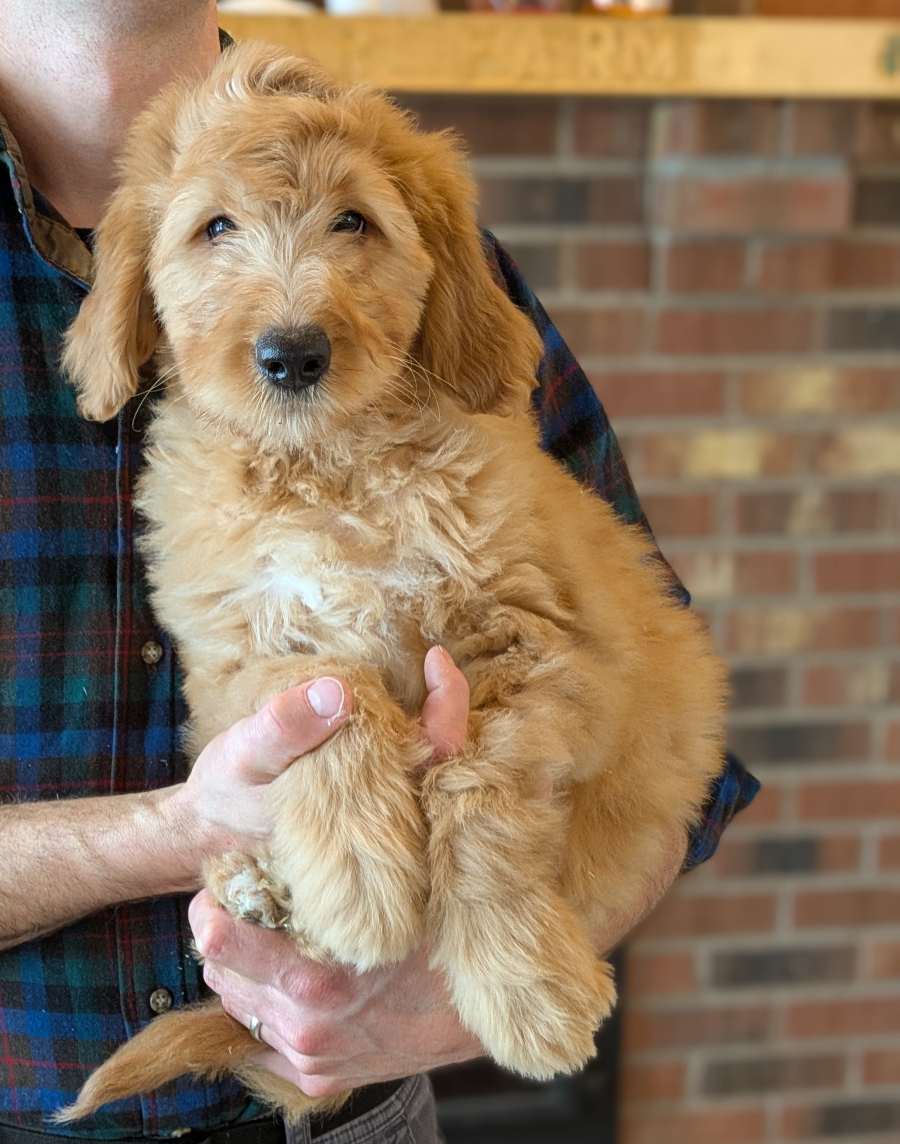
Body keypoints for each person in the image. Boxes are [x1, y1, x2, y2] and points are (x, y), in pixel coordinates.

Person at [0, 2, 759, 1142]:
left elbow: (673, 727)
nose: (296, 303)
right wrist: (187, 827)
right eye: (216, 231)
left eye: (351, 224)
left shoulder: (437, 252)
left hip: (361, 1119)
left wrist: (456, 985)